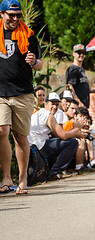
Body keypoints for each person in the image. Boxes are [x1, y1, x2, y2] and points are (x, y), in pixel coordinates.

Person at [0, 0, 43, 194]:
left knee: (20, 137)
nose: (15, 19)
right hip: (1, 93)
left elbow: (40, 65)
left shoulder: (29, 35)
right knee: (1, 130)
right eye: (11, 15)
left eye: (18, 16)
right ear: (2, 14)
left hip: (23, 93)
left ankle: (23, 178)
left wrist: (34, 61)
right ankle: (6, 177)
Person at [28, 93, 86, 180]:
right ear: (46, 104)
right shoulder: (47, 114)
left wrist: (75, 133)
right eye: (52, 104)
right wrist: (77, 129)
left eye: (56, 104)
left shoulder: (40, 113)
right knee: (72, 142)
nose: (54, 107)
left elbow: (57, 134)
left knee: (62, 141)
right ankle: (55, 172)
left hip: (35, 145)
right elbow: (64, 136)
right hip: (38, 146)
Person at [66, 44, 90, 108]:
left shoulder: (81, 69)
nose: (81, 55)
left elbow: (80, 86)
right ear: (74, 54)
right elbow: (69, 87)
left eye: (83, 53)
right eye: (79, 53)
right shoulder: (72, 69)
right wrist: (78, 102)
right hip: (77, 106)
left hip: (84, 105)